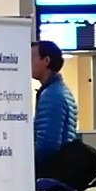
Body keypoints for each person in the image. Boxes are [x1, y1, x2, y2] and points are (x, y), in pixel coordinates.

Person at [31, 40, 79, 172]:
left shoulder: (51, 95)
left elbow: (47, 145)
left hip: (50, 171)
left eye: (31, 58)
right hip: (62, 168)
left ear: (46, 60)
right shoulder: (62, 91)